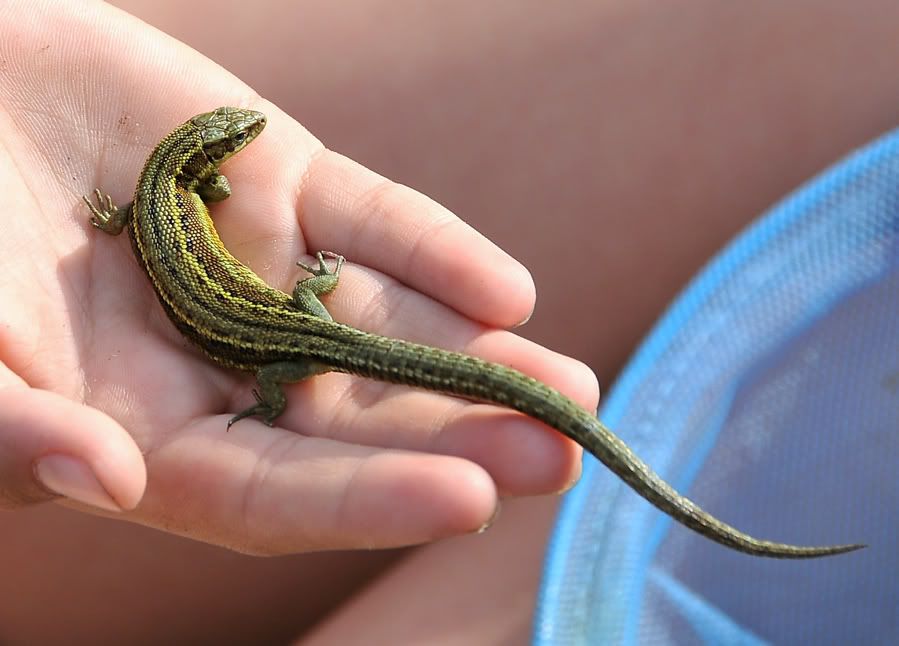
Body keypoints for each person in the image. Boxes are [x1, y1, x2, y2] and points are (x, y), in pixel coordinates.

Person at [2, 1, 898, 643]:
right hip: (279, 333)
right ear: (204, 163)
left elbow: (123, 222)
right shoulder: (195, 193)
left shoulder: (148, 200)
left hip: (272, 338)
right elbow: (216, 195)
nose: (242, 142)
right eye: (232, 141)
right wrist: (302, 319)